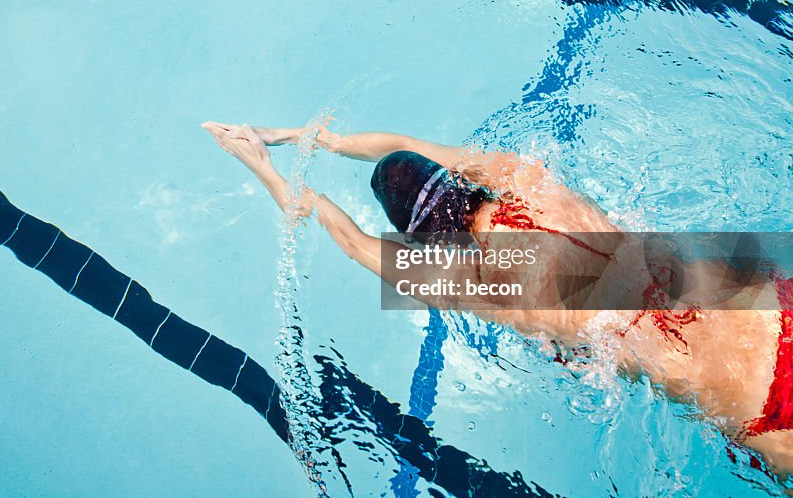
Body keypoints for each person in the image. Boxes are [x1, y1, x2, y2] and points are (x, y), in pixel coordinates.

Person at [202, 121, 793, 475]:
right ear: (453, 180)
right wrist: (308, 136)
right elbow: (405, 141)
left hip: (753, 402)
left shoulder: (482, 287)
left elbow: (352, 242)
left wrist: (266, 169)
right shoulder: (521, 177)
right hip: (771, 305)